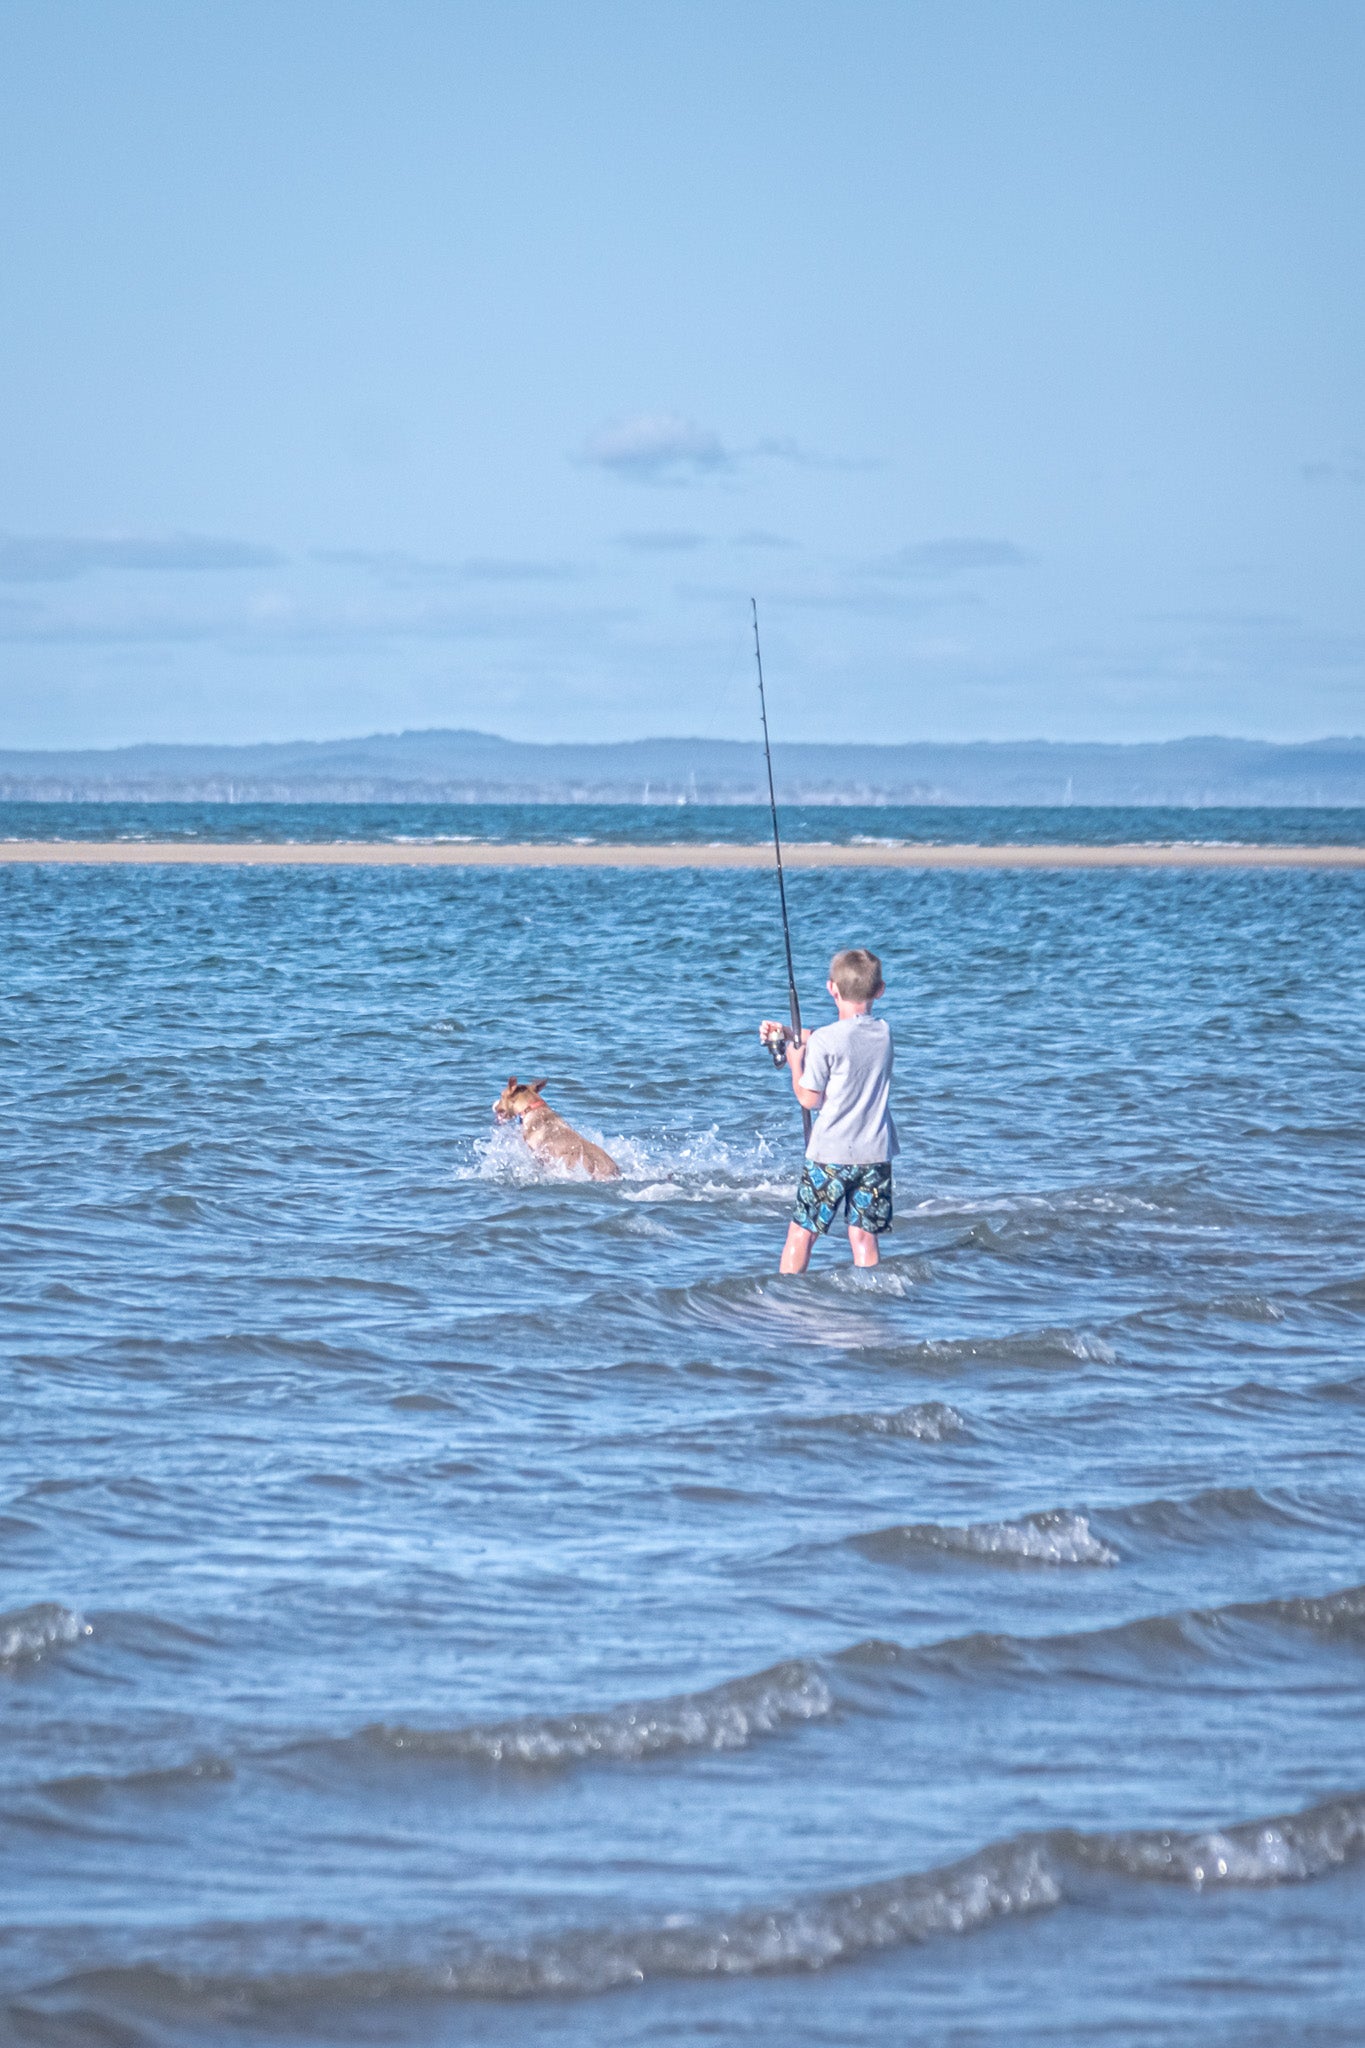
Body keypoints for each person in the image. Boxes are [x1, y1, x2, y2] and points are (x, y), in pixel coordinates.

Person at [760, 947, 897, 1274]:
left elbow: (809, 1099)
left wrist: (795, 1062)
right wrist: (794, 1034)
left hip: (830, 1155)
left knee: (802, 1233)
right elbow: (844, 1039)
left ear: (831, 989)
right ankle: (870, 1295)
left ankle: (786, 1298)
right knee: (864, 1236)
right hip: (875, 1154)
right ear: (880, 990)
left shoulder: (824, 1042)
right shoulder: (884, 1033)